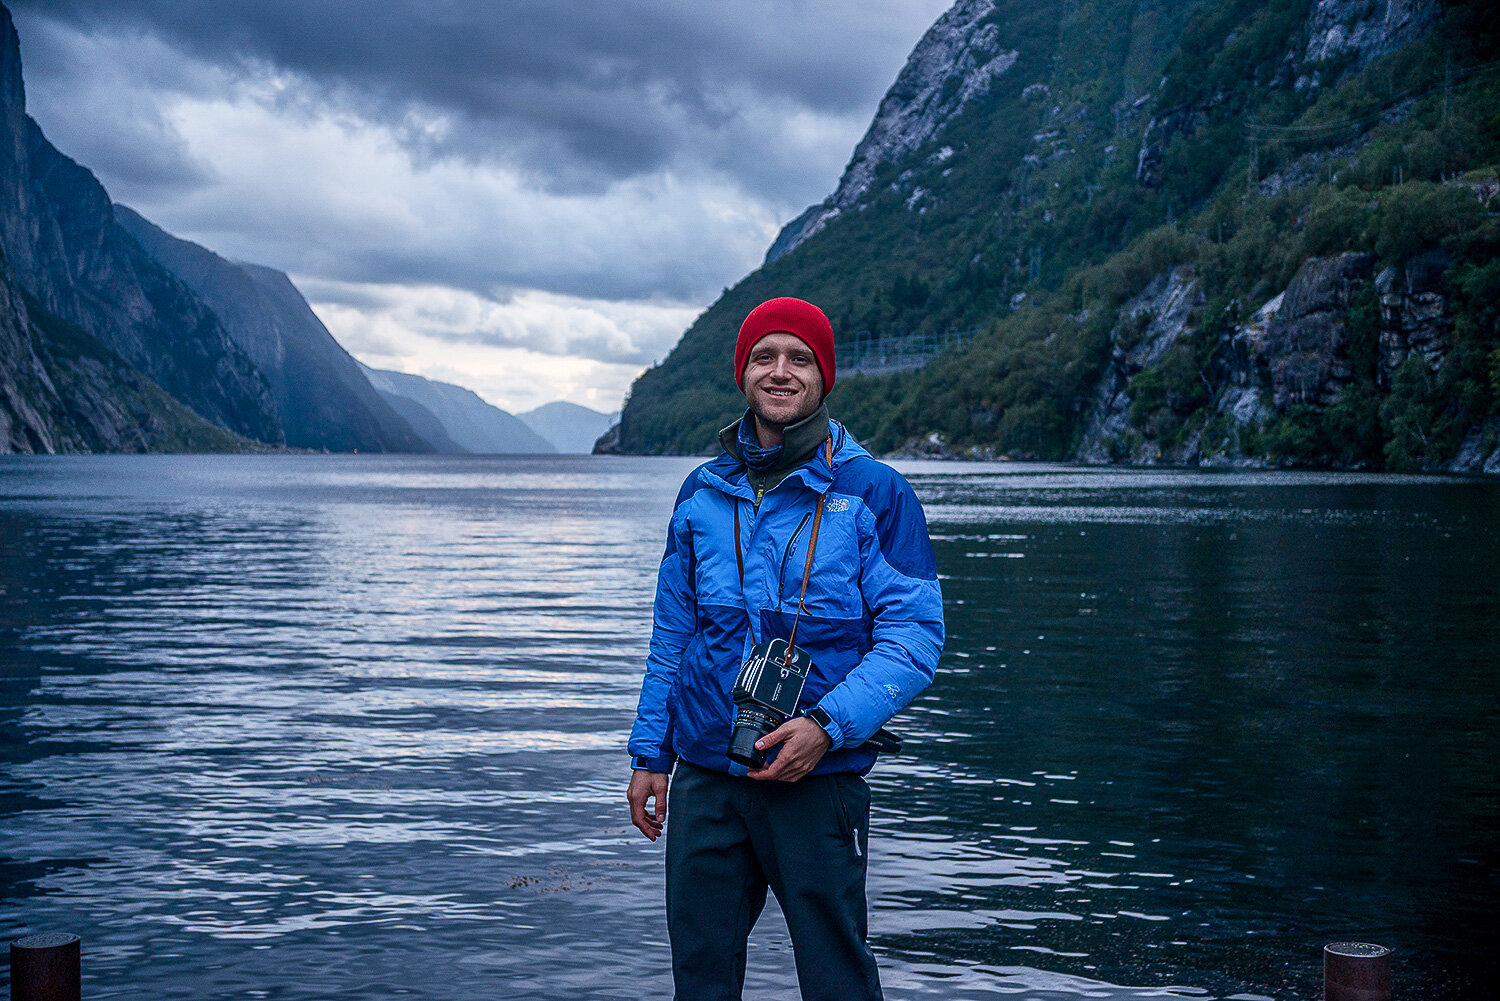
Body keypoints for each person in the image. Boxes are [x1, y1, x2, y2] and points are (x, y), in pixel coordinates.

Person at [625, 296, 945, 1001]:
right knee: (700, 977)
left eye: (799, 357)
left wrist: (828, 726)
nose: (780, 371)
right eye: (764, 356)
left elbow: (916, 637)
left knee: (836, 977)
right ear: (743, 372)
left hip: (817, 777)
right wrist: (651, 755)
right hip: (707, 771)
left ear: (824, 375)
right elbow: (673, 635)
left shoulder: (875, 493)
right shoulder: (701, 492)